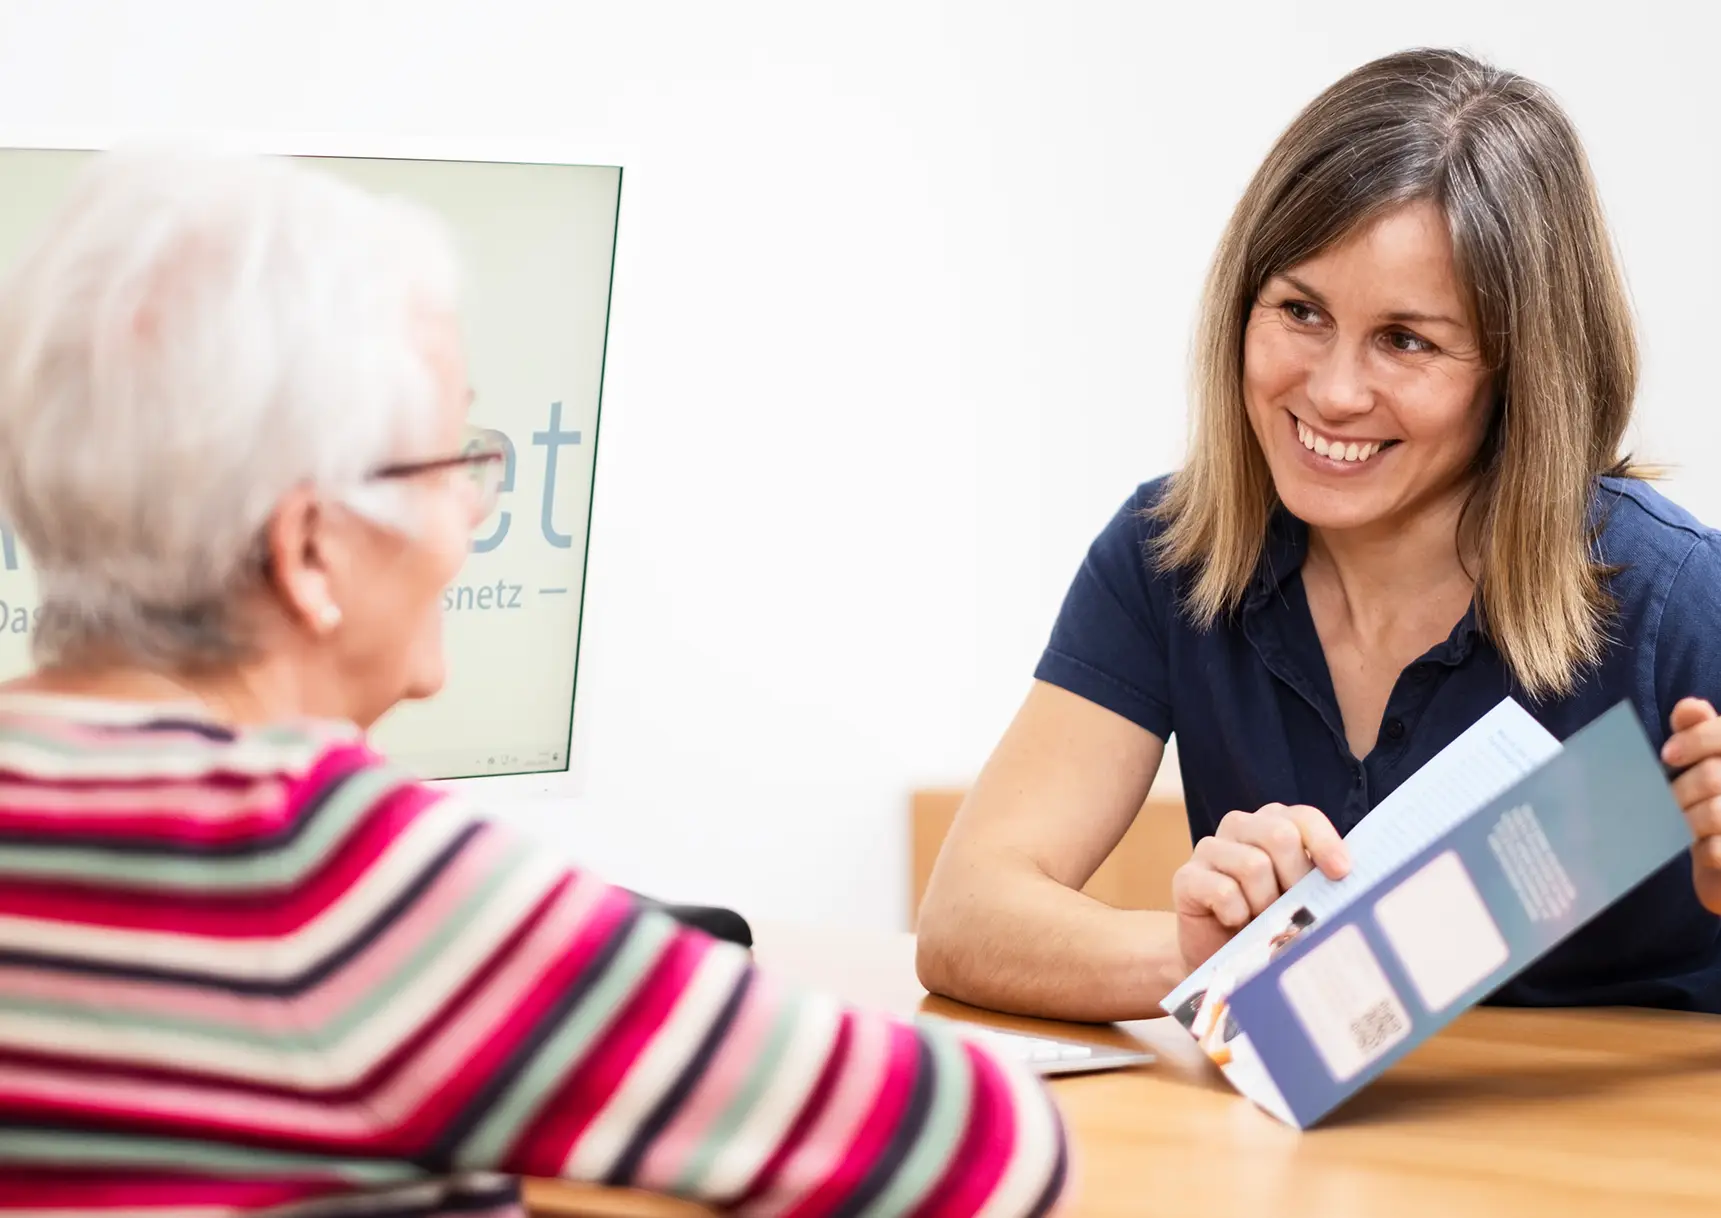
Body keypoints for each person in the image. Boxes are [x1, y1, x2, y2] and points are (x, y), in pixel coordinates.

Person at [0, 148, 1070, 1217]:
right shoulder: (325, 875)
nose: (476, 511)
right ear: (311, 551)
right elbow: (984, 1148)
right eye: (449, 465)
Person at [915, 47, 1721, 1036]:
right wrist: (1213, 960)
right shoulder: (1174, 554)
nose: (1334, 391)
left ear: (1519, 371)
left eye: (1407, 341)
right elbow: (967, 917)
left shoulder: (1669, 589)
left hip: (1660, 1139)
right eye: (1300, 311)